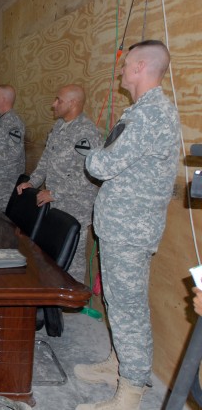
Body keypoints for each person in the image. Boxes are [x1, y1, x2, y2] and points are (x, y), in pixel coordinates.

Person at [74, 40, 180, 410]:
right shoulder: (139, 112)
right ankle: (120, 363)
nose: (120, 70)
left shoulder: (150, 115)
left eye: (125, 64)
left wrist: (94, 156)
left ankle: (131, 391)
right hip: (120, 226)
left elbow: (102, 165)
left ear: (139, 67)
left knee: (129, 307)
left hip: (130, 230)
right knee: (117, 302)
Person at [16, 84, 101, 283]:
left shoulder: (86, 132)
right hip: (55, 202)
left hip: (75, 205)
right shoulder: (59, 127)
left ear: (73, 103)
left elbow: (86, 174)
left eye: (59, 100)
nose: (54, 104)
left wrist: (54, 193)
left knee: (73, 258)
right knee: (53, 255)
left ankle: (71, 304)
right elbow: (46, 159)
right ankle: (55, 297)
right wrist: (33, 182)